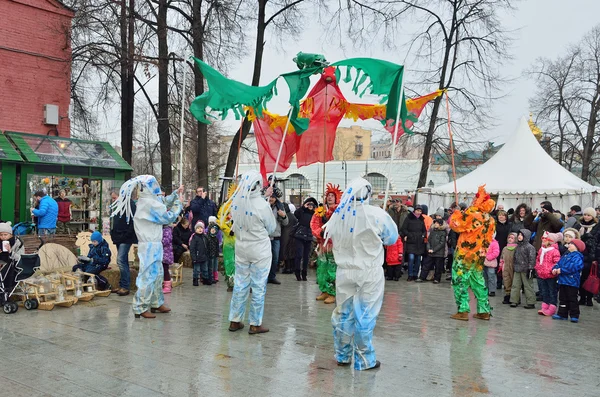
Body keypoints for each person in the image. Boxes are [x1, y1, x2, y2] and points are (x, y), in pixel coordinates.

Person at [323, 178, 398, 370]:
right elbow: (391, 238)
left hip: (345, 272)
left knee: (343, 314)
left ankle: (342, 355)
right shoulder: (377, 214)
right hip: (369, 272)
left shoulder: (338, 216)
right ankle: (364, 359)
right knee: (365, 315)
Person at [111, 176, 183, 319]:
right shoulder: (148, 204)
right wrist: (178, 206)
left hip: (155, 244)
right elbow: (167, 217)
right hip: (149, 244)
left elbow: (162, 202)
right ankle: (140, 306)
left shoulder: (150, 201)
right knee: (148, 276)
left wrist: (175, 194)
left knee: (158, 275)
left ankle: (156, 302)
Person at [227, 171, 276, 335]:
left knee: (240, 284)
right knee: (258, 286)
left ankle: (235, 320)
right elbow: (271, 228)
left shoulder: (236, 203)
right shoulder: (262, 205)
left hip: (241, 249)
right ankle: (255, 323)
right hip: (259, 250)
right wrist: (265, 202)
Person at [448, 186, 496, 321]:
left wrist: (456, 213)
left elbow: (455, 225)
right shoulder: (490, 219)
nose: (473, 200)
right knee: (478, 280)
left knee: (459, 279)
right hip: (480, 255)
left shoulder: (473, 214)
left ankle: (463, 309)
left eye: (475, 198)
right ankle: (484, 310)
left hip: (465, 254)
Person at [311, 183, 343, 303]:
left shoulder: (340, 211)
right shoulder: (321, 211)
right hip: (322, 245)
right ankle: (324, 290)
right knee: (322, 268)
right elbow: (314, 224)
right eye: (328, 195)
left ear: (336, 198)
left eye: (332, 196)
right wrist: (320, 232)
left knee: (332, 269)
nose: (329, 197)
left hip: (334, 245)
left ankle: (332, 293)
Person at [552, 239, 585, 323]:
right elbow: (558, 263)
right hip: (563, 281)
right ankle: (562, 313)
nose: (569, 245)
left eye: (571, 244)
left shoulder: (578, 257)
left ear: (577, 247)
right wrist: (555, 268)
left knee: (572, 298)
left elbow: (574, 267)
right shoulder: (565, 255)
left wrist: (561, 270)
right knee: (562, 298)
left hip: (572, 282)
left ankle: (574, 315)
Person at [534, 232, 562, 316]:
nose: (543, 241)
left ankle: (552, 307)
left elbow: (557, 262)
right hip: (542, 274)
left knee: (552, 291)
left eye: (545, 240)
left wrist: (551, 269)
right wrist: (538, 268)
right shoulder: (541, 250)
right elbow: (538, 259)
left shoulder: (555, 251)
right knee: (544, 291)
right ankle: (545, 306)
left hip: (550, 275)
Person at [509, 229, 537, 309]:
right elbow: (515, 257)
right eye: (519, 235)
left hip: (526, 270)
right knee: (515, 285)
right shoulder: (518, 246)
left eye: (521, 235)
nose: (519, 236)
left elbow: (532, 258)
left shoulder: (530, 247)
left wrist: (531, 269)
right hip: (518, 269)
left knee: (528, 286)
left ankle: (531, 302)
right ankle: (514, 300)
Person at [267, 188, 289, 285]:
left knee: (275, 258)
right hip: (264, 237)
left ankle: (272, 276)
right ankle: (264, 277)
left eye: (273, 197)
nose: (271, 199)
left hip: (275, 237)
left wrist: (283, 216)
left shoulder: (279, 207)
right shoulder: (264, 207)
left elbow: (286, 222)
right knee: (264, 258)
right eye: (270, 197)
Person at [400, 205, 426, 281]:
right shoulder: (408, 218)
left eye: (420, 211)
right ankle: (410, 274)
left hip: (419, 242)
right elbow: (404, 229)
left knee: (418, 259)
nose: (419, 212)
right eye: (418, 210)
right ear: (414, 210)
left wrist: (423, 235)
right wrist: (409, 235)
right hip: (411, 241)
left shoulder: (421, 219)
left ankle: (415, 274)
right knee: (411, 258)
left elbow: (424, 230)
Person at [294, 197, 318, 281]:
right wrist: (303, 207)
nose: (310, 205)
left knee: (306, 256)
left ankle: (304, 273)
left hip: (309, 236)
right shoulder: (302, 211)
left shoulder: (315, 214)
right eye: (309, 203)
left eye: (312, 204)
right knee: (299, 255)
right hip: (300, 235)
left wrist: (318, 211)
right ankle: (297, 272)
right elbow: (296, 214)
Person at [217, 185, 236, 291]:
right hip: (229, 239)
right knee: (229, 261)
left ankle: (243, 282)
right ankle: (231, 282)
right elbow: (220, 220)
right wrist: (229, 231)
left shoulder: (243, 206)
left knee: (242, 261)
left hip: (241, 239)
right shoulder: (225, 207)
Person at [578, 207, 598, 306]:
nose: (586, 217)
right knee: (581, 278)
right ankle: (582, 297)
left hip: (591, 255)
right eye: (585, 214)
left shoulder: (596, 227)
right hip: (580, 254)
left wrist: (594, 257)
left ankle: (589, 299)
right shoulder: (579, 225)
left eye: (589, 215)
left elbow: (596, 242)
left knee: (589, 277)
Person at [426, 218, 448, 284]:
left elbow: (442, 243)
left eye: (437, 223)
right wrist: (429, 248)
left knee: (438, 266)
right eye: (435, 223)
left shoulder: (443, 232)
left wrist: (434, 250)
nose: (435, 224)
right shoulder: (432, 231)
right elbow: (428, 240)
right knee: (427, 264)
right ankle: (423, 276)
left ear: (440, 224)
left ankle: (437, 278)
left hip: (439, 253)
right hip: (431, 251)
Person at [499, 232, 518, 304]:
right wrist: (501, 265)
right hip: (505, 267)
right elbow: (502, 257)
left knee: (514, 282)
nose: (510, 239)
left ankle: (515, 297)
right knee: (506, 281)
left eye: (512, 238)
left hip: (513, 267)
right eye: (509, 238)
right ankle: (507, 295)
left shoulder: (516, 248)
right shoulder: (505, 248)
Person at [190, 221, 209, 286]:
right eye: (198, 228)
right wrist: (193, 258)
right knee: (196, 270)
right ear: (195, 229)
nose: (200, 229)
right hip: (197, 257)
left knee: (205, 269)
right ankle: (195, 280)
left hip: (204, 256)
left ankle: (205, 279)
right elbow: (192, 248)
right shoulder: (194, 237)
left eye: (201, 228)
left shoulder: (204, 236)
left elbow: (207, 245)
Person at [206, 216, 222, 283]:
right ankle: (211, 276)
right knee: (211, 265)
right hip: (210, 254)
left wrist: (218, 252)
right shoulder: (207, 237)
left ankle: (215, 276)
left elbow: (218, 244)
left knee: (215, 265)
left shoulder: (216, 238)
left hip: (215, 253)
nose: (213, 230)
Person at [162, 224, 174, 294]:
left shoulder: (167, 230)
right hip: (162, 253)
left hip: (165, 254)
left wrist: (158, 241)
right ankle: (164, 283)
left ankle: (167, 286)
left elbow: (166, 240)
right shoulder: (162, 229)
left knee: (165, 269)